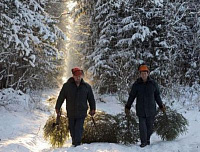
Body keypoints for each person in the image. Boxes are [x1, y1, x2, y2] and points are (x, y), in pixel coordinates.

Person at [125, 64, 165, 148]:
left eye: (145, 73)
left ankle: (147, 139)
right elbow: (132, 96)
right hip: (141, 110)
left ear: (148, 73)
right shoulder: (136, 85)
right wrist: (128, 106)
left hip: (151, 110)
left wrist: (161, 105)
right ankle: (143, 142)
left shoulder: (153, 84)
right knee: (142, 127)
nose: (143, 75)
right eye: (142, 73)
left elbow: (157, 95)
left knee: (150, 127)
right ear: (140, 74)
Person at [55, 67, 96, 147]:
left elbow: (91, 98)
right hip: (71, 112)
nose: (78, 77)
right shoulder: (67, 86)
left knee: (78, 128)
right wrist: (57, 107)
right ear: (73, 76)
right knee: (72, 129)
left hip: (82, 112)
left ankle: (77, 145)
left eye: (80, 76)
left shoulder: (86, 87)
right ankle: (75, 143)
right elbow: (61, 97)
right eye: (76, 76)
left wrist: (93, 108)